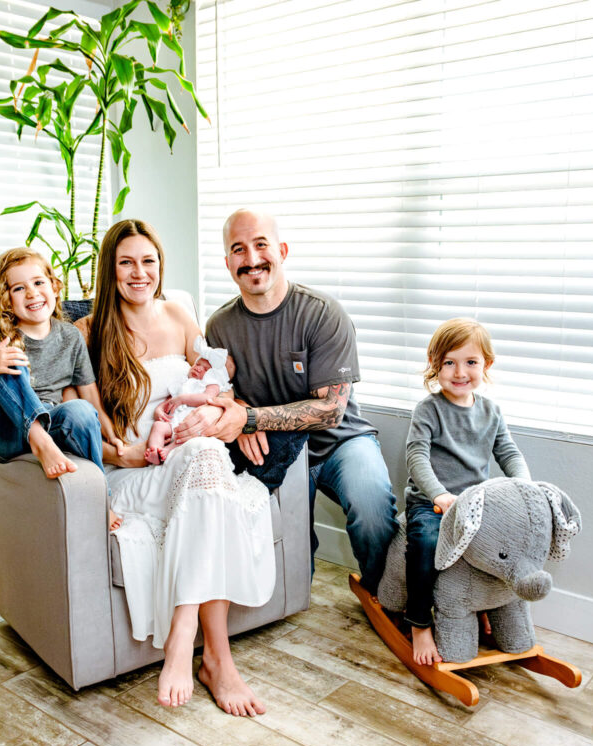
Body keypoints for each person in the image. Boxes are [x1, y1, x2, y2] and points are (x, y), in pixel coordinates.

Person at [76, 219, 275, 717]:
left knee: (207, 457)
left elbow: (212, 384)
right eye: (126, 262)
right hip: (134, 473)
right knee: (209, 473)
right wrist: (123, 454)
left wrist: (224, 414)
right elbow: (79, 427)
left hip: (188, 457)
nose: (139, 272)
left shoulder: (181, 316)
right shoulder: (87, 333)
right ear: (110, 270)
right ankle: (219, 662)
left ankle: (185, 641)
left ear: (160, 266)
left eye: (148, 261)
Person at [176, 209, 399, 595]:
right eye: (238, 249)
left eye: (260, 245)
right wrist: (240, 408)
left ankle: (386, 594)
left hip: (341, 443)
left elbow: (331, 409)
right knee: (293, 558)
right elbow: (223, 388)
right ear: (228, 262)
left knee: (373, 509)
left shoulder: (323, 313)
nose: (251, 259)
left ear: (281, 250)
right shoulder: (219, 326)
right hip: (278, 452)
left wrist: (250, 419)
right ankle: (292, 596)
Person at [0, 247, 123, 530]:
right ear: (5, 300)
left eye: (39, 282)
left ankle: (99, 499)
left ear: (54, 287)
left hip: (48, 418)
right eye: (19, 288)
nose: (32, 293)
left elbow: (89, 393)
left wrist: (112, 434)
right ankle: (40, 440)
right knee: (9, 357)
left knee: (80, 410)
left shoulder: (70, 336)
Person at [404, 317, 531, 664]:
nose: (460, 372)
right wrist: (439, 495)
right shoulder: (428, 410)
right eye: (449, 362)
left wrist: (524, 486)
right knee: (427, 544)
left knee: (500, 546)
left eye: (470, 362)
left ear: (486, 365)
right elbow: (417, 456)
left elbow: (508, 452)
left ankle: (484, 606)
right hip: (432, 504)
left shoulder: (491, 412)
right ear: (435, 365)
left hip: (476, 506)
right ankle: (418, 622)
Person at [145, 337, 233, 465]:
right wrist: (159, 410)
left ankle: (168, 450)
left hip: (191, 423)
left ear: (216, 375)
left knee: (191, 438)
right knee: (158, 426)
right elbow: (171, 400)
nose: (198, 368)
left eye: (206, 369)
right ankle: (155, 450)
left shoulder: (212, 385)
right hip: (173, 422)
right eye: (197, 364)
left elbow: (206, 399)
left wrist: (183, 399)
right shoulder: (185, 383)